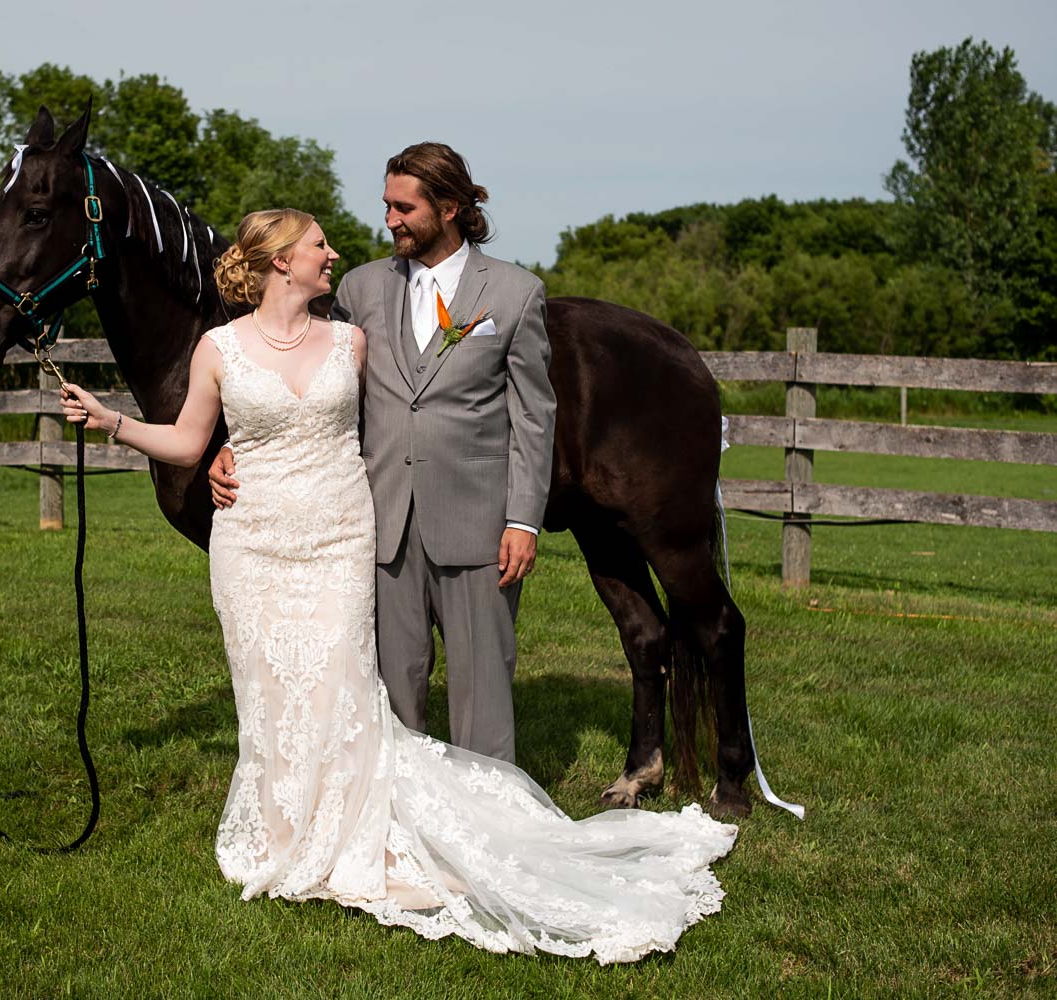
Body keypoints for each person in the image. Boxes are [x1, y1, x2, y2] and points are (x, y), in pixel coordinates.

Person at [59, 207, 737, 961]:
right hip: (252, 546)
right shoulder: (218, 348)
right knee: (268, 693)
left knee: (344, 690)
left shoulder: (351, 342)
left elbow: (420, 411)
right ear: (280, 262)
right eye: (320, 245)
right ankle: (285, 835)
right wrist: (120, 424)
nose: (337, 253)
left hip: (339, 538)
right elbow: (191, 436)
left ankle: (365, 835)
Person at [210, 143, 552, 765]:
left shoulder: (514, 293)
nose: (389, 219)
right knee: (393, 693)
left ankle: (494, 824)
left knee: (484, 689)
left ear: (449, 208)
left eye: (403, 207)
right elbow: (319, 383)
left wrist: (522, 520)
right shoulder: (361, 287)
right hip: (380, 522)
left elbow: (533, 415)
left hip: (478, 524)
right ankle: (404, 822)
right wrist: (239, 443)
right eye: (386, 205)